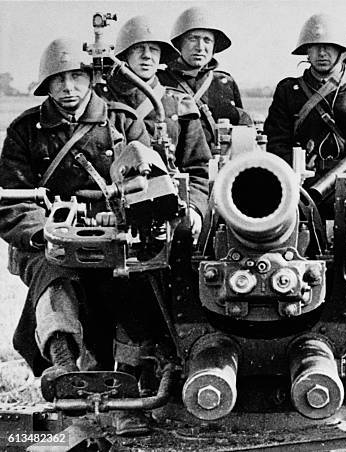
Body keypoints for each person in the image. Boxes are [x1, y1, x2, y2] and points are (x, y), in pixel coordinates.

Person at [0, 38, 150, 410]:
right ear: (45, 86)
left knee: (137, 278)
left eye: (77, 77)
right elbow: (10, 200)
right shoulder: (24, 131)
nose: (68, 88)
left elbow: (150, 184)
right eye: (58, 80)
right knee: (53, 275)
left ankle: (133, 375)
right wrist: (45, 232)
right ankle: (64, 365)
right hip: (47, 238)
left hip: (116, 231)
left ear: (91, 78)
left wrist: (122, 216)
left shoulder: (123, 122)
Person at [97, 15, 212, 435]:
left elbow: (200, 169)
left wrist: (196, 210)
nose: (147, 56)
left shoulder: (181, 103)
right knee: (124, 297)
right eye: (138, 50)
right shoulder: (100, 104)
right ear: (123, 54)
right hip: (124, 218)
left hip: (180, 219)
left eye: (154, 50)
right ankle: (127, 396)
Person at [264, 13, 346, 217]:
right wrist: (295, 166)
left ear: (341, 50)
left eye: (329, 46)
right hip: (304, 188)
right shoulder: (289, 90)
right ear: (306, 50)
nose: (322, 53)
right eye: (315, 46)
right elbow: (276, 142)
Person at [158, 6, 251, 147]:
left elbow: (239, 130)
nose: (200, 47)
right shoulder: (160, 80)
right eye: (193, 39)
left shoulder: (225, 83)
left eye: (207, 40)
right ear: (179, 44)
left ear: (214, 47)